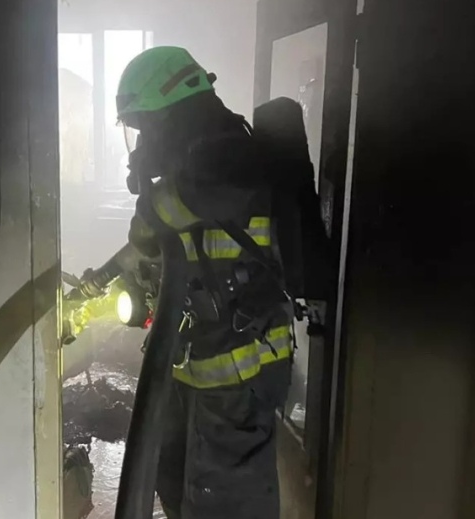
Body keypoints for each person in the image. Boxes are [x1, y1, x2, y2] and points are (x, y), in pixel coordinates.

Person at [110, 46, 296, 519]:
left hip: (240, 370)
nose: (141, 140)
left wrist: (149, 203)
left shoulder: (230, 154)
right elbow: (161, 248)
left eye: (144, 126)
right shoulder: (193, 162)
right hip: (197, 362)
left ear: (170, 112)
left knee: (224, 502)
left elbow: (186, 206)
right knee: (174, 481)